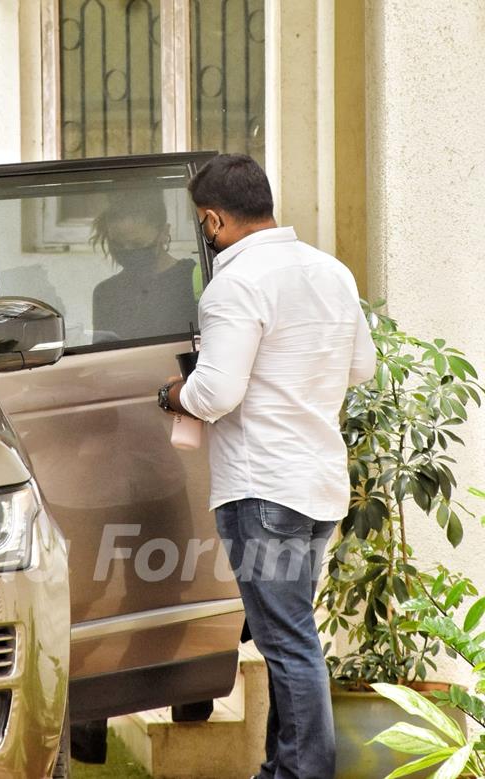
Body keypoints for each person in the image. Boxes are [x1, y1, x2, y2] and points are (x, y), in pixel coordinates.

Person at [156, 154, 376, 779]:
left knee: (287, 643)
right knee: (291, 637)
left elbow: (214, 395)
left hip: (262, 489)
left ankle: (303, 772)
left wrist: (174, 393)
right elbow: (362, 368)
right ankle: (282, 767)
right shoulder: (330, 271)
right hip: (318, 485)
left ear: (213, 219)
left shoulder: (235, 284)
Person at [91, 190, 199, 341]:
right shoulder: (105, 293)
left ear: (164, 232)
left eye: (137, 243)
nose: (127, 250)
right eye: (118, 244)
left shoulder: (194, 280)